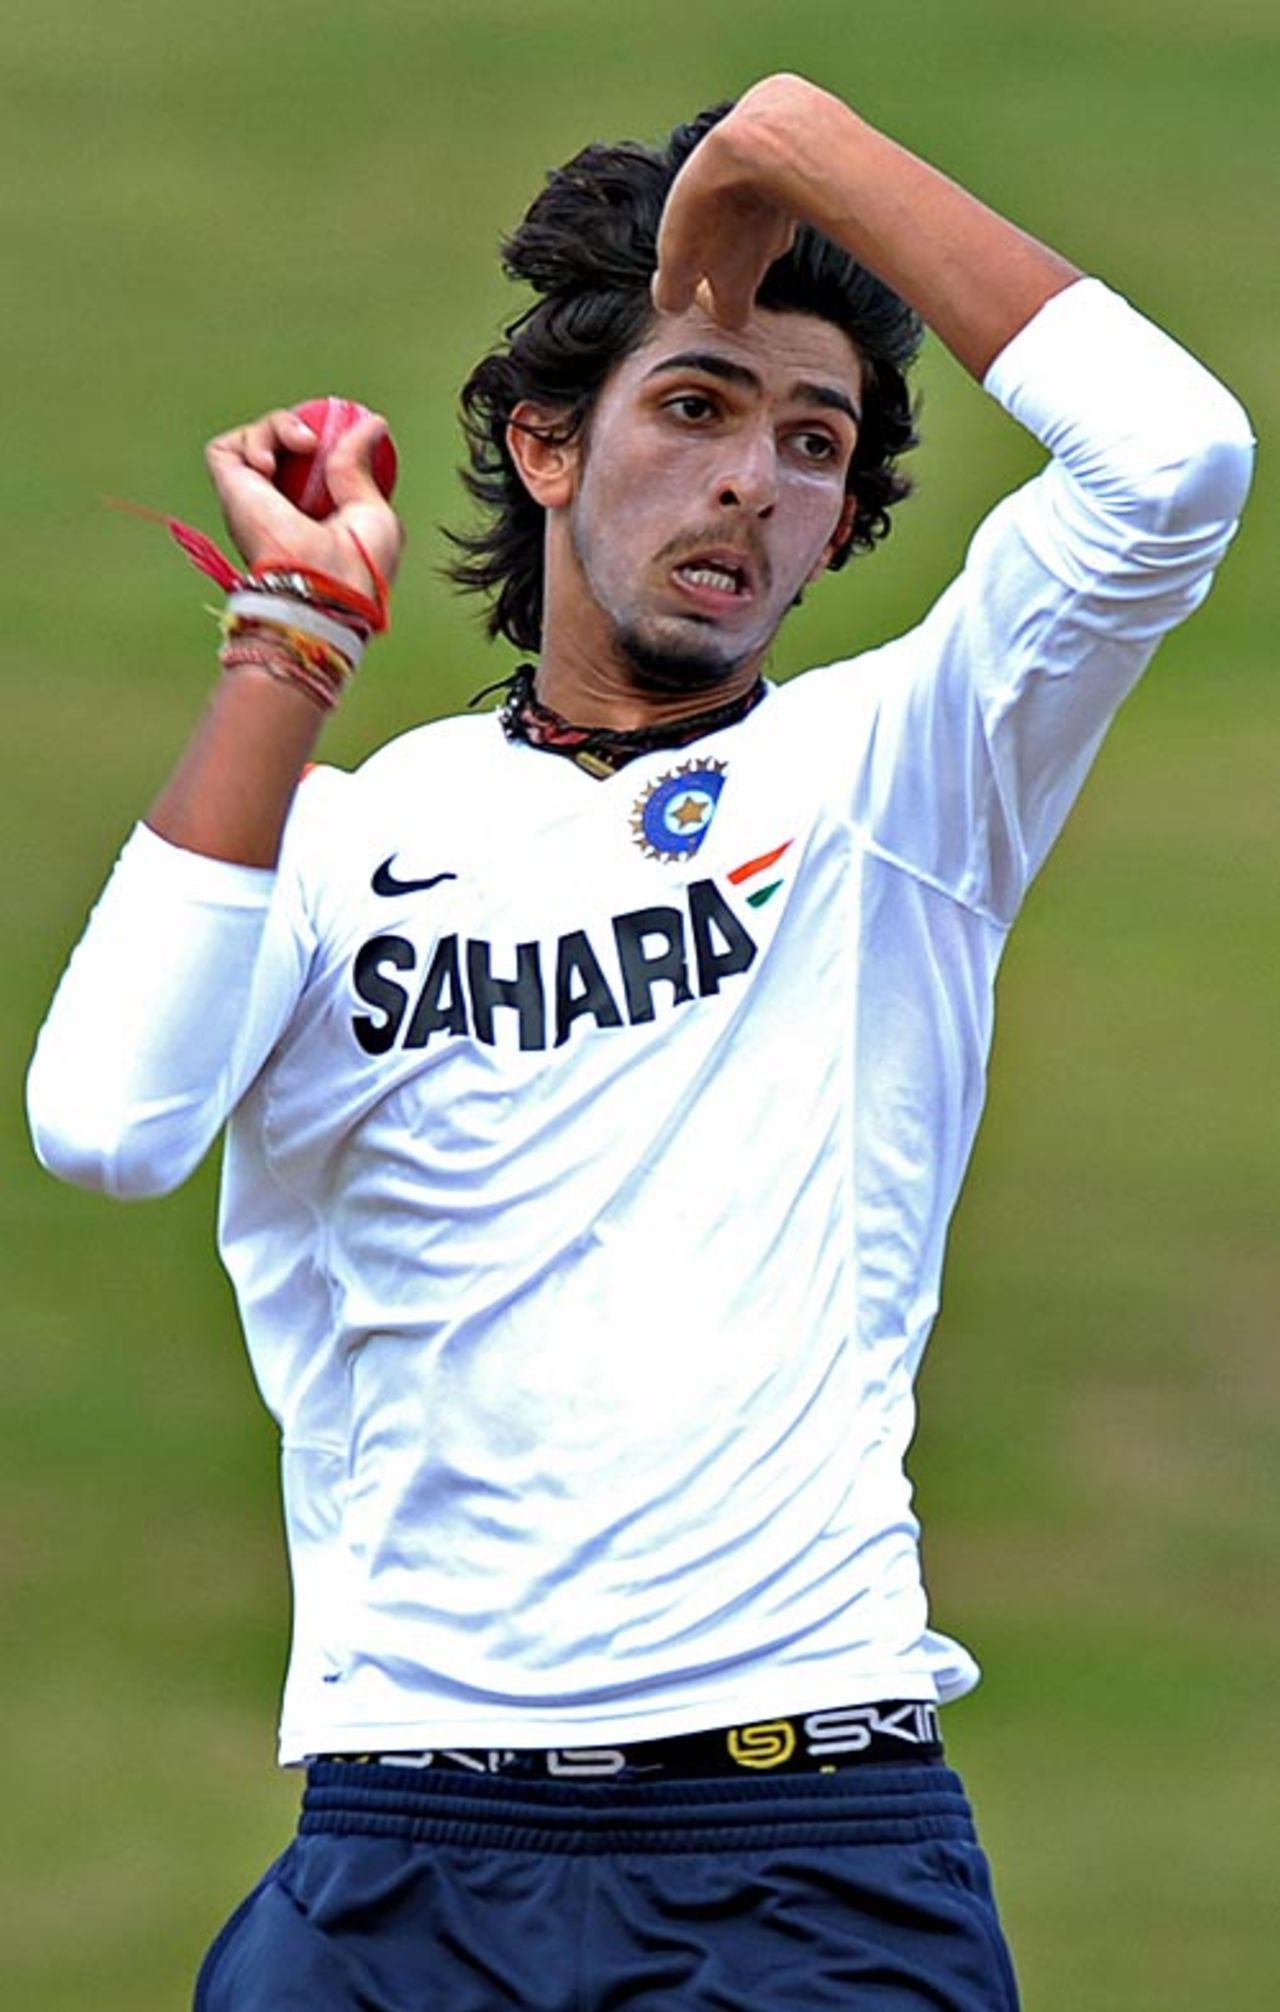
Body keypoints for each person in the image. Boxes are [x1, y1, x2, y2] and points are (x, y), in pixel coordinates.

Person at [27, 72, 1252, 2012]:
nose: (750, 480)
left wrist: (784, 148)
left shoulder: (896, 774)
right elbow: (105, 1121)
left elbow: (1173, 461)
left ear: (844, 515)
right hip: (397, 1859)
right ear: (540, 444)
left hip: (808, 1858)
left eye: (812, 439)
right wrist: (285, 647)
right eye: (694, 406)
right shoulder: (342, 839)